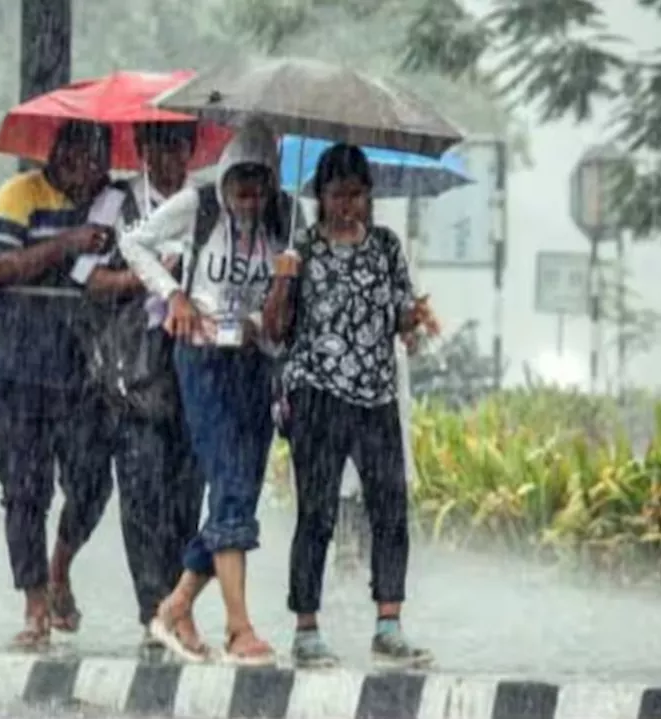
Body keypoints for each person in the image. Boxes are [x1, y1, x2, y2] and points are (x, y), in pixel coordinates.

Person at [119, 119, 300, 665]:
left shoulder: (289, 220)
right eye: (240, 177)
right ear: (223, 174)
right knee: (226, 481)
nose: (249, 191)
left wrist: (279, 290)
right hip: (201, 361)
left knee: (238, 491)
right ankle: (239, 628)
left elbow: (280, 317)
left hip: (255, 365)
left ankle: (174, 606)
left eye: (260, 179)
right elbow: (134, 242)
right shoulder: (196, 207)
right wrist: (173, 294)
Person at [263, 143, 439, 669]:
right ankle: (306, 627)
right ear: (320, 196)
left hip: (376, 396)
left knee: (389, 508)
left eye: (358, 195)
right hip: (317, 394)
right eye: (338, 195)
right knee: (316, 514)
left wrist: (417, 322)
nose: (348, 206)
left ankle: (389, 622)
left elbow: (401, 315)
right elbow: (275, 329)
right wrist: (283, 279)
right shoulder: (303, 249)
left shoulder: (385, 247)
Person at [0, 120, 121, 650]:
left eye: (98, 159)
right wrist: (66, 244)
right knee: (24, 489)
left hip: (84, 366)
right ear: (58, 156)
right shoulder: (19, 196)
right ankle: (35, 605)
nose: (89, 169)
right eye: (80, 157)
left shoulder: (113, 204)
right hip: (18, 365)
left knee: (92, 480)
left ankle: (60, 564)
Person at [74, 121, 205, 658]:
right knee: (142, 491)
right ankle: (152, 607)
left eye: (177, 144)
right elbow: (86, 279)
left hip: (195, 368)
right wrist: (147, 277)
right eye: (157, 144)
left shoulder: (207, 206)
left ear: (191, 149)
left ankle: (179, 607)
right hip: (134, 370)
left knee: (186, 495)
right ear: (143, 148)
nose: (167, 155)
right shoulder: (115, 204)